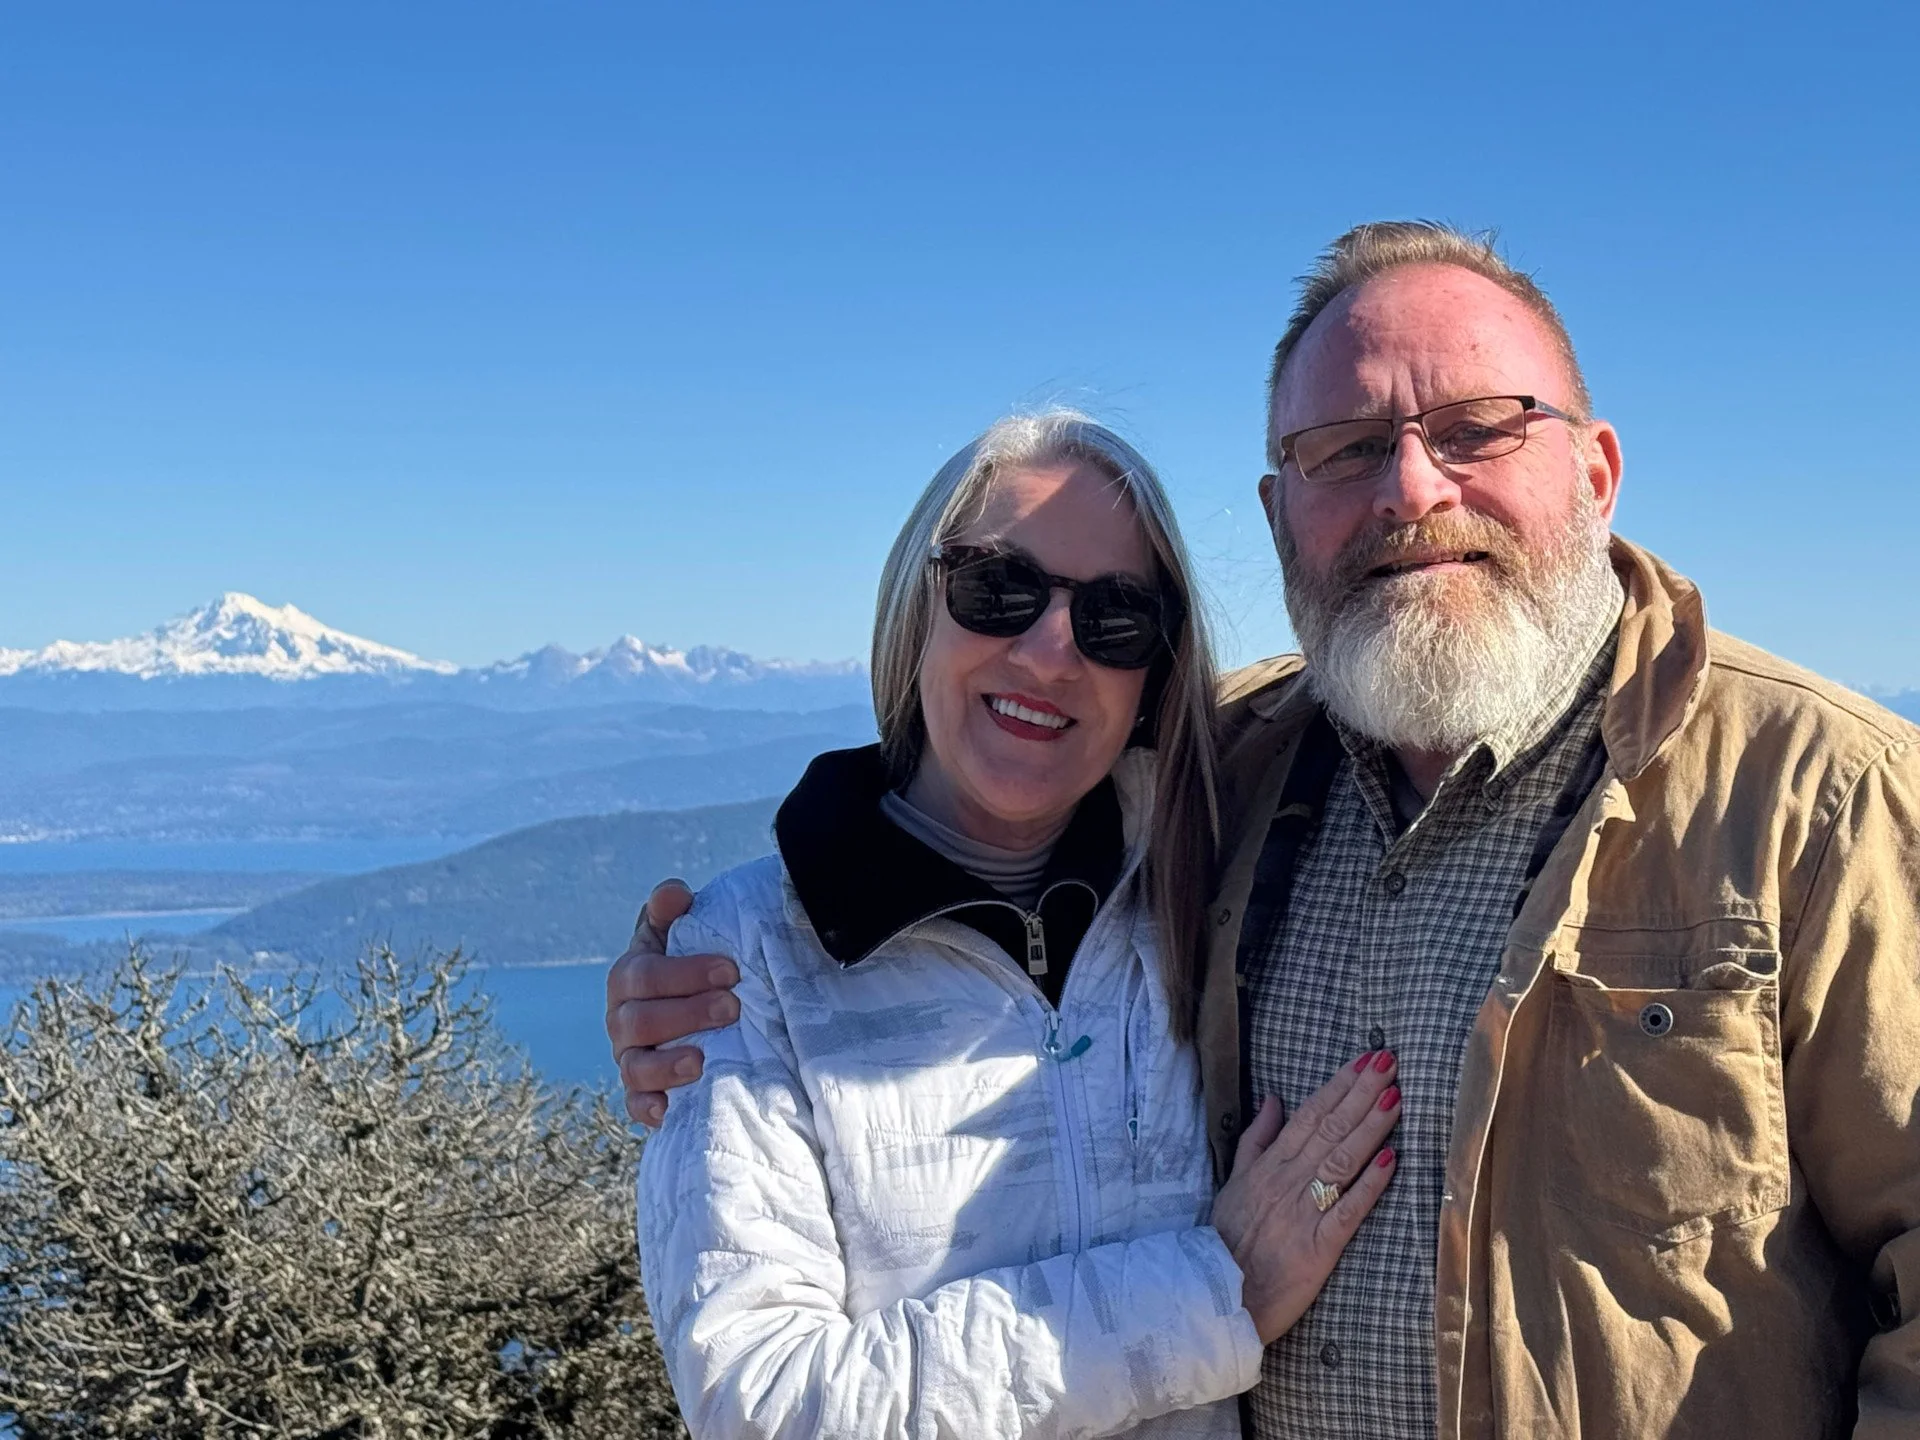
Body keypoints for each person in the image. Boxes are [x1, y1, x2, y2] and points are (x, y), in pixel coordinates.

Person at [611, 222, 1920, 1439]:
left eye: (1476, 429)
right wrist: (709, 970)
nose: (1411, 488)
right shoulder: (1223, 779)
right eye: (1345, 448)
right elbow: (954, 813)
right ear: (1279, 512)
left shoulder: (1821, 795)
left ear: (1595, 471)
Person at [636, 411, 1404, 1438]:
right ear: (921, 607)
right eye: (997, 588)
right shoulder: (747, 959)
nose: (1049, 653)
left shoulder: (1209, 882)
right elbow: (763, 1405)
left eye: (1118, 620)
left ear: (1156, 677)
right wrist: (1215, 1293)